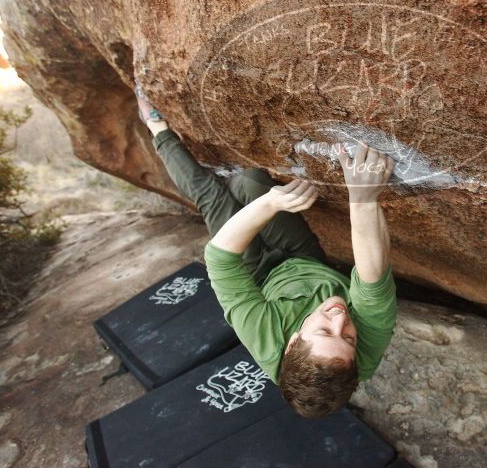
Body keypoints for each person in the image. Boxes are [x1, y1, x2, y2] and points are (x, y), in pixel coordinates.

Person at [135, 87, 397, 418]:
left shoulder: (264, 337)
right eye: (348, 338)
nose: (341, 318)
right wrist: (363, 196)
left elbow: (220, 258)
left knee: (212, 197)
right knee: (252, 181)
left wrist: (272, 204)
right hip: (304, 261)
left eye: (324, 330)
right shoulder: (365, 352)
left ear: (291, 342)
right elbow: (373, 280)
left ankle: (155, 125)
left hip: (256, 273)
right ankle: (244, 194)